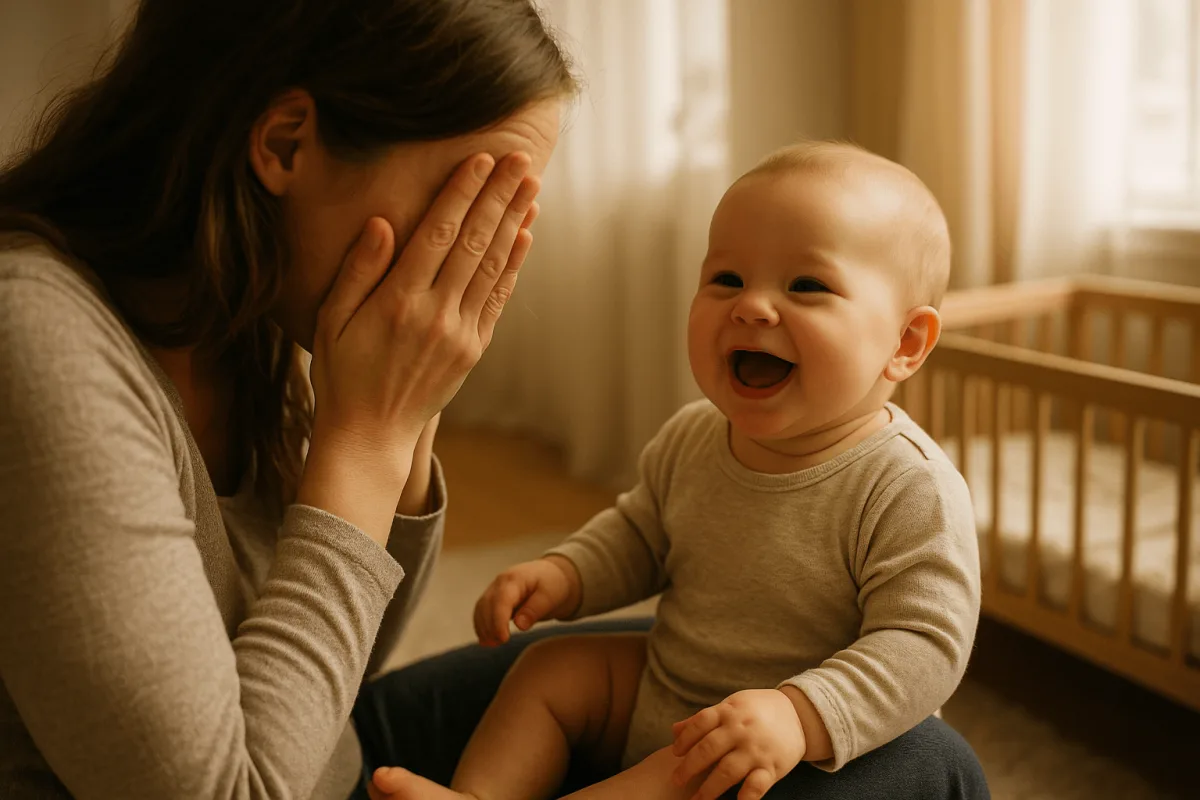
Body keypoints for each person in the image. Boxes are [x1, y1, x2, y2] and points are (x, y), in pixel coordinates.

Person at [0, 1, 576, 798]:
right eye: (461, 201)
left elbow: (335, 671)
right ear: (284, 143)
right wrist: (366, 439)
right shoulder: (35, 338)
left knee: (733, 694)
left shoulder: (243, 303)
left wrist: (408, 418)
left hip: (320, 762)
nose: (471, 250)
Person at [365, 142, 989, 800]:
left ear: (905, 343)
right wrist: (567, 574)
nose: (752, 307)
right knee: (548, 670)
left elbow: (924, 645)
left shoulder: (907, 486)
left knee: (676, 773)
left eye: (806, 286)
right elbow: (639, 534)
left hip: (779, 744)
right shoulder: (693, 435)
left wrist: (799, 715)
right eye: (726, 280)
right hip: (669, 681)